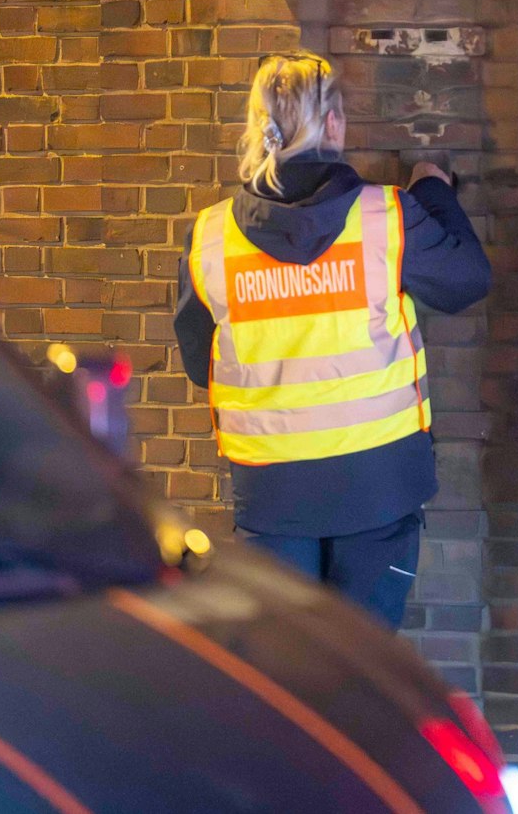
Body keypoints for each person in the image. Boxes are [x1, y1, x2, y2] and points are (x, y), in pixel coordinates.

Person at [175, 50, 491, 628]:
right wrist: (433, 189)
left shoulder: (211, 236)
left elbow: (203, 365)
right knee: (365, 664)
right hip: (380, 488)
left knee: (289, 668)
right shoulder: (389, 218)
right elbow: (468, 278)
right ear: (335, 124)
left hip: (271, 496)